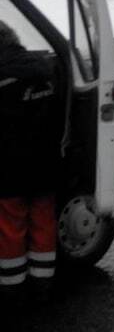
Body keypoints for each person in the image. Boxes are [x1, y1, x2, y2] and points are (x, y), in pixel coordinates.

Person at [0, 21, 60, 304]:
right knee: (43, 223)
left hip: (10, 168)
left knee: (11, 227)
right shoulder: (45, 70)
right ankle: (43, 283)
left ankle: (12, 286)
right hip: (46, 163)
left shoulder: (3, 76)